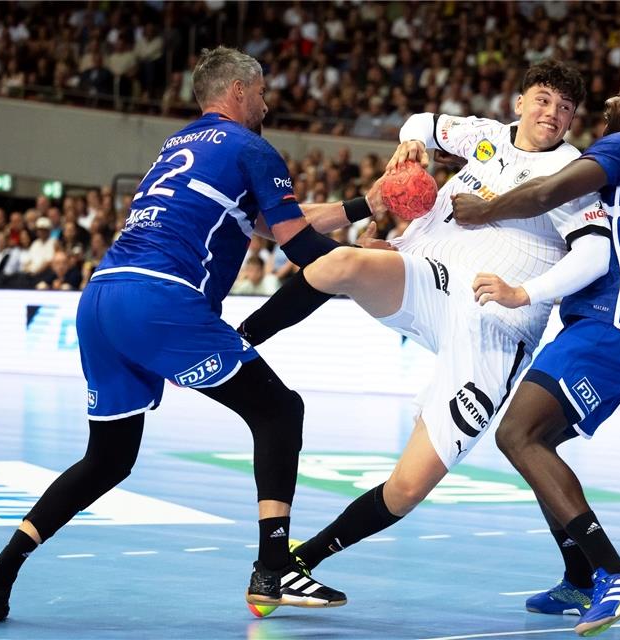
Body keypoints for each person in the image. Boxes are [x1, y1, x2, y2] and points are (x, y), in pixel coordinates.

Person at [0, 46, 359, 623]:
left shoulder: (179, 147)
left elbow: (272, 223)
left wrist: (364, 205)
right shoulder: (253, 148)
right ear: (240, 91)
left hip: (101, 298)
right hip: (160, 300)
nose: (268, 103)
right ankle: (275, 567)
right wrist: (368, 265)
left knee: (108, 458)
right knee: (278, 411)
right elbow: (297, 247)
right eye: (264, 92)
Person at [236, 59, 588, 614]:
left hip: (492, 324)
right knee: (344, 264)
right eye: (543, 99)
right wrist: (409, 147)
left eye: (566, 108)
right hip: (426, 276)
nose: (553, 113)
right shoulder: (485, 137)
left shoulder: (574, 173)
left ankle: (298, 563)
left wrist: (528, 294)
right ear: (520, 102)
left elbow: (594, 253)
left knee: (407, 487)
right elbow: (422, 122)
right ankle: (240, 342)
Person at [452, 67, 620, 636]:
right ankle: (580, 577)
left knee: (517, 436)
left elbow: (550, 191)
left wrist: (484, 209)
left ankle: (613, 572)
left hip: (612, 326)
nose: (610, 99)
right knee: (539, 446)